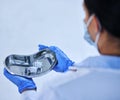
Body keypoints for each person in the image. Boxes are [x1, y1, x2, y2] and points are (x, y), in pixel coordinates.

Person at [3, 0, 120, 100]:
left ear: (95, 24)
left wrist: (28, 90)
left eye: (86, 15)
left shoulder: (59, 90)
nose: (85, 21)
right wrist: (73, 67)